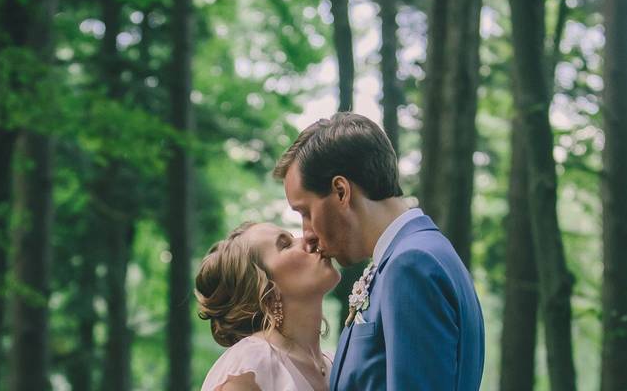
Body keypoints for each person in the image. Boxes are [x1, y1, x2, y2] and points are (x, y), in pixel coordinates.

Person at [275, 112, 485, 390]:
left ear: (341, 191)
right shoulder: (418, 255)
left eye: (305, 212)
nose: (308, 234)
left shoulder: (412, 264)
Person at [195, 221, 341, 391]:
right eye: (285, 245)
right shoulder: (250, 367)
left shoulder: (336, 365)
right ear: (266, 289)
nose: (309, 239)